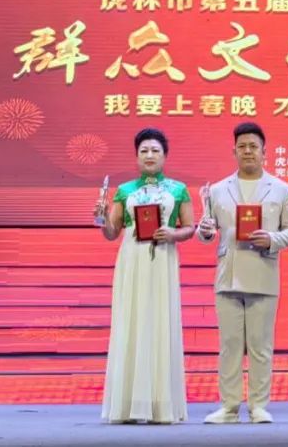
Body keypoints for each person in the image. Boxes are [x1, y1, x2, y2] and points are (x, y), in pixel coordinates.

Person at [196, 122, 288, 424]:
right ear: (234, 151)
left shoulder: (281, 189)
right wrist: (204, 231)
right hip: (228, 275)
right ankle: (229, 408)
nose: (247, 151)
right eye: (242, 146)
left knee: (260, 345)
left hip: (263, 271)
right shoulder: (218, 190)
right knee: (229, 346)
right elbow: (206, 231)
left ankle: (258, 406)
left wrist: (272, 239)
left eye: (253, 146)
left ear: (264, 152)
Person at [96, 127, 193, 424]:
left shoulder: (179, 189)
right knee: (131, 322)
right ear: (136, 156)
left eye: (155, 150)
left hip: (163, 258)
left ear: (165, 155)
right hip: (132, 260)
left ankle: (161, 405)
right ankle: (126, 405)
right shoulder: (124, 190)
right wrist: (102, 218)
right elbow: (112, 233)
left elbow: (190, 227)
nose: (149, 155)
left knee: (160, 322)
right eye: (144, 151)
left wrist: (173, 233)